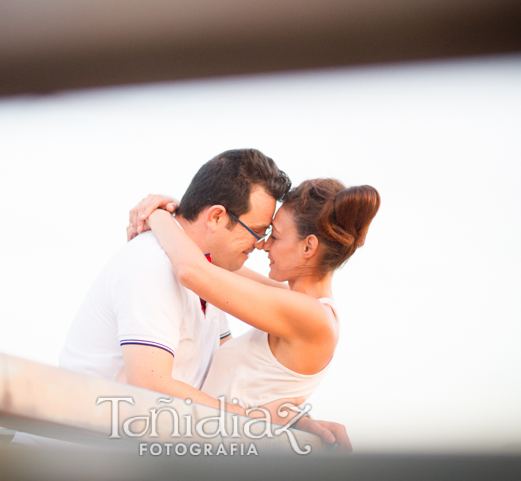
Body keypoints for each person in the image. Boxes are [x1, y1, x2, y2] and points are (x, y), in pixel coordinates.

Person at [130, 178, 380, 451]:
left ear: (308, 247)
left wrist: (157, 214)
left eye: (275, 236)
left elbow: (193, 270)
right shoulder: (296, 304)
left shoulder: (310, 316)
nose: (263, 245)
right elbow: (214, 260)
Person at [59, 149, 290, 417]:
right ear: (216, 217)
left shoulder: (208, 270)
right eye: (256, 232)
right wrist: (248, 418)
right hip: (78, 449)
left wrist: (293, 419)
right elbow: (149, 384)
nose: (260, 245)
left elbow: (227, 369)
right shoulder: (153, 264)